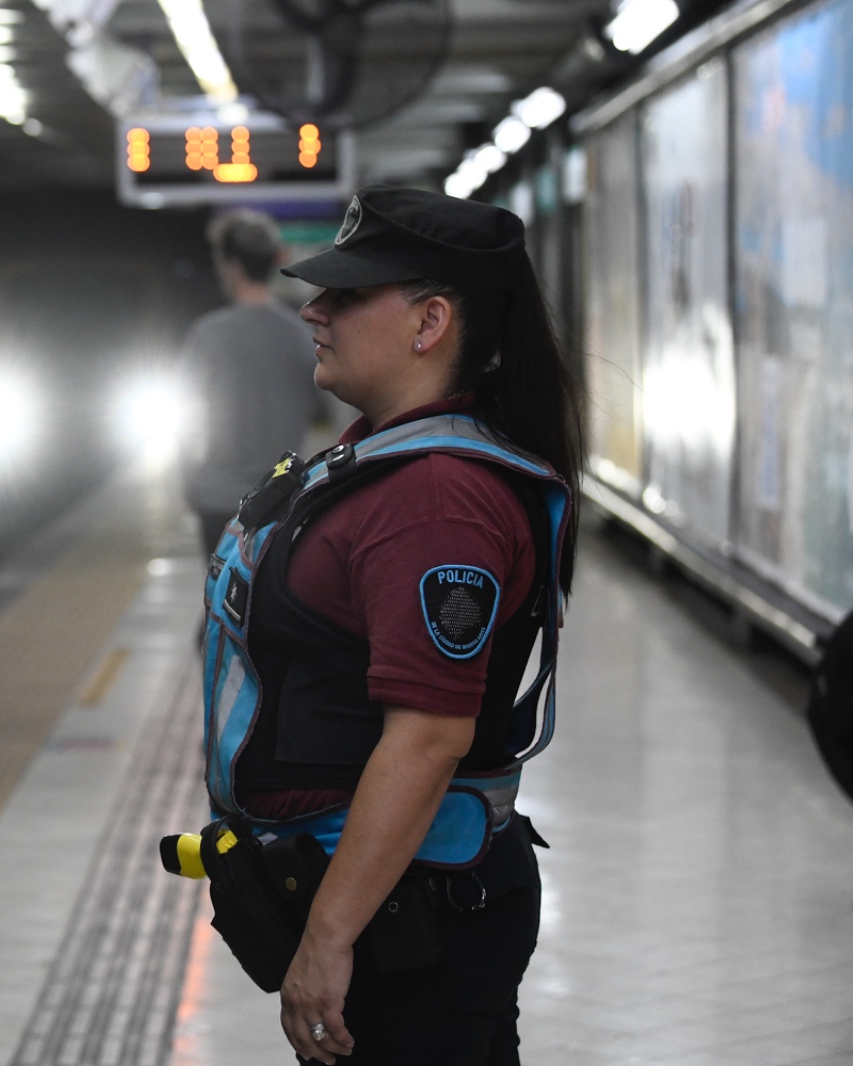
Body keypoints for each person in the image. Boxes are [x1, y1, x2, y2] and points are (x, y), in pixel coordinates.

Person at [199, 185, 581, 1065]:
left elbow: (430, 736)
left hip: (413, 918)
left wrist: (329, 938)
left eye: (347, 295)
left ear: (429, 322)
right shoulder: (383, 454)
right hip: (396, 898)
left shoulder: (437, 497)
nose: (315, 310)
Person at [181, 209, 324, 554]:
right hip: (279, 497)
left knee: (217, 595)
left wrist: (190, 481)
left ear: (230, 263)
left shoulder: (207, 334)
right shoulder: (302, 334)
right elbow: (327, 412)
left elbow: (184, 417)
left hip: (215, 497)